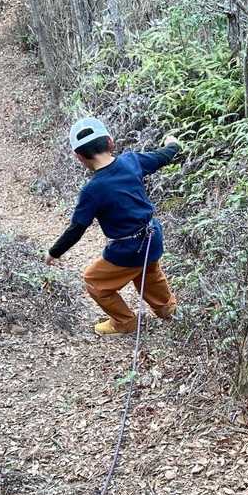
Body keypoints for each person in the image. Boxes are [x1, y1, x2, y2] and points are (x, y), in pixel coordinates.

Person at [45, 116, 181, 336]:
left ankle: (124, 322)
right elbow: (161, 156)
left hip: (127, 249)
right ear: (110, 142)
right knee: (149, 273)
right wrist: (173, 144)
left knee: (94, 281)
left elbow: (77, 228)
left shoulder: (92, 190)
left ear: (79, 157)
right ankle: (168, 310)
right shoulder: (131, 161)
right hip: (152, 236)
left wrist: (54, 252)